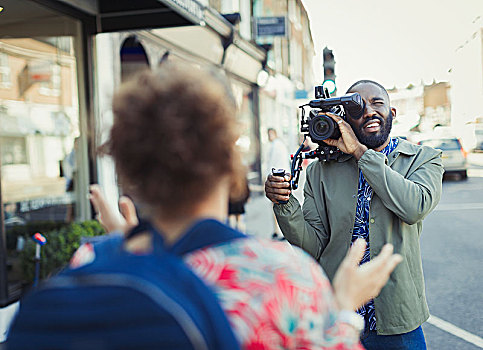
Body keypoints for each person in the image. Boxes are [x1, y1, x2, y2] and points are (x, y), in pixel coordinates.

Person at [80, 67, 404, 349]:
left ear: (129, 167)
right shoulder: (281, 276)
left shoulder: (87, 266)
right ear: (231, 161)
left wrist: (129, 247)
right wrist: (344, 310)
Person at [265, 79, 444, 350]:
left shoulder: (423, 159)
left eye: (377, 103)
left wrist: (360, 153)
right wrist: (284, 202)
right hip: (337, 316)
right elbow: (312, 246)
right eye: (357, 107)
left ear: (392, 114)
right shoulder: (320, 171)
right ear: (346, 120)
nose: (369, 111)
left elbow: (414, 207)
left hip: (398, 321)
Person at [265, 128, 290, 239]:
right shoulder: (282, 145)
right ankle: (283, 231)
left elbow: (271, 164)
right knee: (284, 205)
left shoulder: (274, 146)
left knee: (275, 205)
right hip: (285, 178)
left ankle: (278, 231)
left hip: (276, 180)